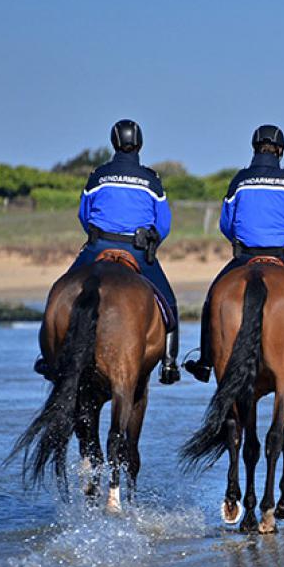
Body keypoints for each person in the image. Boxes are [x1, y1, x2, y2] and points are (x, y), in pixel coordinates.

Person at [34, 119, 181, 384]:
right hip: (135, 250)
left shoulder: (98, 176)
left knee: (58, 293)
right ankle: (170, 364)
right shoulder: (151, 179)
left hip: (98, 246)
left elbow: (84, 214)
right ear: (139, 144)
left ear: (114, 143)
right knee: (169, 303)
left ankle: (47, 358)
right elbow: (164, 223)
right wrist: (152, 242)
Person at [183, 124, 284, 383]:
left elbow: (226, 224)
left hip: (245, 257)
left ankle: (206, 362)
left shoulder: (239, 181)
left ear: (254, 148)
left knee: (211, 303)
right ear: (281, 151)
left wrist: (241, 241)